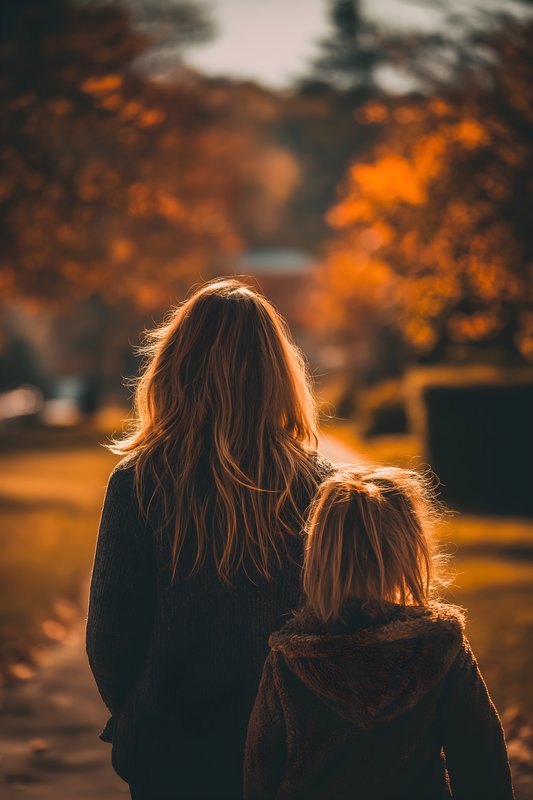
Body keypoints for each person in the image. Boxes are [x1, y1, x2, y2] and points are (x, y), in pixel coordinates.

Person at [86, 278, 333, 800]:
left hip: (171, 752)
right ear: (276, 372)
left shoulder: (138, 482)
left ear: (175, 365)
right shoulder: (317, 485)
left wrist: (137, 716)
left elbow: (110, 640)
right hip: (291, 750)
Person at [244, 466, 515, 800]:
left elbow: (260, 774)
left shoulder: (290, 659)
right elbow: (482, 768)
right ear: (407, 551)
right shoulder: (438, 647)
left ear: (319, 554)